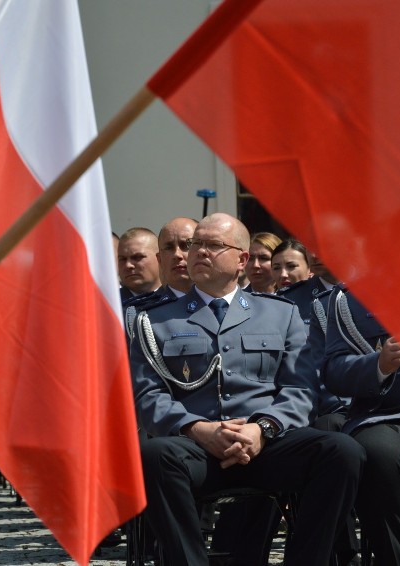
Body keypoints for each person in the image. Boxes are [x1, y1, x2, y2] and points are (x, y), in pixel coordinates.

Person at [129, 213, 365, 566]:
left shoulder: (281, 314)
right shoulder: (155, 320)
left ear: (242, 260)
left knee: (342, 452)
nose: (199, 252)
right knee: (154, 457)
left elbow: (300, 389)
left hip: (267, 444)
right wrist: (199, 429)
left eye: (213, 245)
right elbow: (148, 395)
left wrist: (263, 428)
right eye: (197, 244)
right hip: (197, 448)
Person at [321, 287, 400, 566]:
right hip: (393, 416)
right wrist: (378, 365)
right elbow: (334, 370)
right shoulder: (348, 297)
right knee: (375, 453)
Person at [117, 227, 161, 301]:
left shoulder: (180, 298)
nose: (128, 265)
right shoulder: (109, 305)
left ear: (159, 258)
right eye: (122, 259)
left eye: (137, 257)